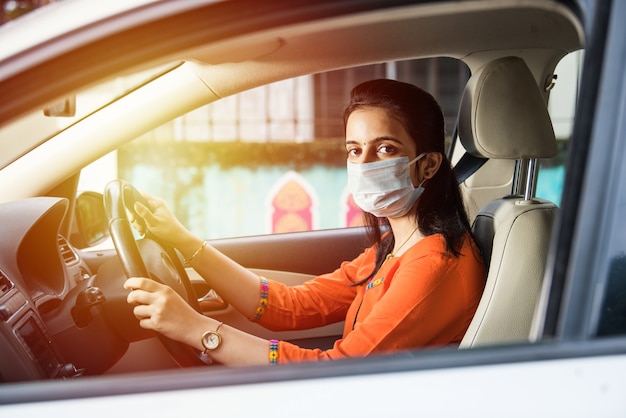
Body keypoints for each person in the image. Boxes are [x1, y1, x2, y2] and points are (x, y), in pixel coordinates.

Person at [124, 79, 486, 365]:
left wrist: (197, 329)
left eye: (386, 149)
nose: (364, 164)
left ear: (428, 165)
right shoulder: (396, 244)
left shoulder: (435, 265)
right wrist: (184, 242)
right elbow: (291, 306)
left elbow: (338, 370)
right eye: (354, 150)